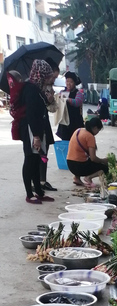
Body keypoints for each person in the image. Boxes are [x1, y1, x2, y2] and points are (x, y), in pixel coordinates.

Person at [18, 60, 55, 204]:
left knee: (36, 160)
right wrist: (36, 136)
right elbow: (31, 114)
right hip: (30, 130)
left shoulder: (36, 88)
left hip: (37, 129)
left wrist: (48, 99)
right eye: (47, 76)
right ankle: (29, 193)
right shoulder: (30, 89)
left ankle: (38, 191)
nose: (48, 79)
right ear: (41, 75)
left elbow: (40, 107)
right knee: (30, 160)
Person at [66, 115, 108, 187]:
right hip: (79, 167)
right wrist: (103, 160)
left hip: (70, 164)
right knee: (104, 168)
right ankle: (88, 178)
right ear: (95, 128)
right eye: (98, 130)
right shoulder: (90, 137)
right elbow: (93, 158)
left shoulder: (78, 130)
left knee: (81, 156)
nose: (98, 132)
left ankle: (77, 178)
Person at [39, 57, 60, 192]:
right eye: (53, 77)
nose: (54, 80)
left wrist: (50, 100)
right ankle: (37, 182)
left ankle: (42, 180)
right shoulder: (35, 87)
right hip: (37, 124)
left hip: (44, 120)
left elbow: (52, 108)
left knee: (44, 151)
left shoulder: (49, 88)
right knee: (38, 153)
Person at [56, 71, 84, 141]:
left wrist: (68, 100)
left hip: (75, 122)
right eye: (67, 81)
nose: (68, 83)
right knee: (65, 141)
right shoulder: (62, 92)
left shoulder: (78, 93)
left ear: (74, 83)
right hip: (64, 123)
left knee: (75, 141)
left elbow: (77, 102)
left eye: (71, 82)